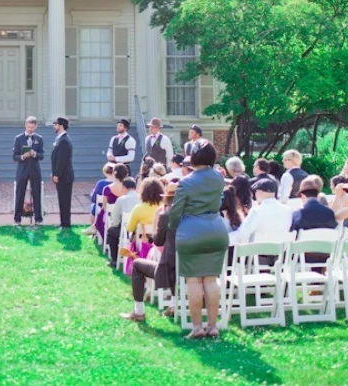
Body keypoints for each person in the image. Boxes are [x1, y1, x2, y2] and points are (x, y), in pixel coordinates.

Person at [170, 140, 228, 339]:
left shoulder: (185, 182)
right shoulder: (219, 178)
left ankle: (197, 327)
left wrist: (172, 227)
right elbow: (220, 200)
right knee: (211, 279)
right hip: (216, 228)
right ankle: (212, 326)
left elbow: (175, 211)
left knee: (194, 280)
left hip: (191, 231)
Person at [121, 182, 178, 322]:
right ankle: (174, 303)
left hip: (169, 269)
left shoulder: (166, 215)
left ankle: (138, 311)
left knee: (137, 265)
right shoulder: (195, 216)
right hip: (193, 269)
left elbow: (158, 241)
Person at [228, 178, 293, 244]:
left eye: (255, 192)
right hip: (281, 252)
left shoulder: (256, 211)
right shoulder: (287, 210)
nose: (255, 195)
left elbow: (242, 235)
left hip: (258, 252)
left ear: (260, 192)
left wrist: (224, 239)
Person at [12, 116, 45, 226]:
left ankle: (38, 219)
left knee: (37, 194)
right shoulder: (18, 138)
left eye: (32, 127)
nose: (30, 129)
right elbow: (14, 156)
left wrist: (34, 154)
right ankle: (17, 219)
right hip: (22, 170)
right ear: (25, 125)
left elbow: (41, 155)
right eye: (29, 127)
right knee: (20, 194)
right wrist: (23, 156)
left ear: (35, 126)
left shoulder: (39, 138)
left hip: (35, 170)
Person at [106, 177, 140, 268]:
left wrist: (115, 225)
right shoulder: (142, 198)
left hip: (127, 231)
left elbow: (115, 220)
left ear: (124, 188)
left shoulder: (121, 199)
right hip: (141, 231)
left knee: (111, 231)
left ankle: (115, 259)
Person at [50, 116, 74, 229]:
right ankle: (63, 222)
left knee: (65, 200)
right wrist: (54, 172)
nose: (54, 126)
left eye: (56, 124)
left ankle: (65, 223)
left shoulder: (64, 140)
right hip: (61, 175)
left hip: (64, 176)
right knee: (62, 199)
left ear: (61, 126)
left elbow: (62, 160)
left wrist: (57, 174)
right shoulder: (60, 139)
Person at [84, 164, 115, 236]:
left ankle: (94, 228)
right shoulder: (119, 184)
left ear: (105, 172)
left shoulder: (101, 183)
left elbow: (94, 199)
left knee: (93, 206)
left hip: (102, 208)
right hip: (115, 208)